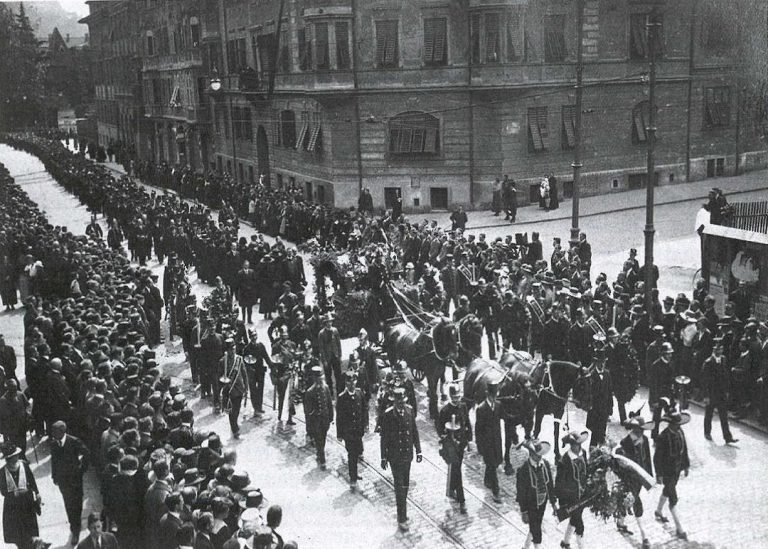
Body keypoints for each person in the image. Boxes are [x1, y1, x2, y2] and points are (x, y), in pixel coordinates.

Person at [380, 387, 422, 531]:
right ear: (394, 402)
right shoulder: (388, 415)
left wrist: (419, 451)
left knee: (405, 485)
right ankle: (402, 518)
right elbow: (384, 437)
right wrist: (383, 457)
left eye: (402, 401)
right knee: (399, 487)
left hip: (407, 455)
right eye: (398, 402)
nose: (401, 404)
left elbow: (414, 432)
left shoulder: (410, 411)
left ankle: (402, 510)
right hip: (395, 457)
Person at [615, 414, 654, 549]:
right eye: (638, 430)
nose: (641, 433)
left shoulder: (645, 440)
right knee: (636, 503)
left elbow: (647, 459)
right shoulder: (625, 444)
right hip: (629, 480)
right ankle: (644, 536)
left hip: (640, 480)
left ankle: (620, 522)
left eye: (642, 430)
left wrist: (649, 478)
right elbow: (620, 464)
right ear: (633, 429)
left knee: (627, 501)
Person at [50, 420, 89, 546]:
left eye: (55, 432)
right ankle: (74, 525)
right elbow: (54, 461)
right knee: (68, 504)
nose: (53, 434)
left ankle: (75, 530)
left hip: (75, 481)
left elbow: (87, 454)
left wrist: (81, 470)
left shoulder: (74, 441)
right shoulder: (54, 444)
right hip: (63, 481)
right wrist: (54, 476)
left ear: (62, 432)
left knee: (77, 505)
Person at [653, 410, 691, 541]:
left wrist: (686, 466)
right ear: (670, 424)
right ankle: (680, 528)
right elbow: (657, 457)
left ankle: (658, 511)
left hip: (677, 470)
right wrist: (659, 474)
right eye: (675, 424)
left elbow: (684, 450)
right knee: (673, 498)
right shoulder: (662, 437)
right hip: (667, 471)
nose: (678, 426)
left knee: (667, 490)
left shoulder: (680, 433)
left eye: (678, 423)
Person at [515, 439, 557, 549]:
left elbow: (550, 485)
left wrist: (553, 503)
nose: (539, 458)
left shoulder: (545, 465)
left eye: (540, 455)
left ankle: (525, 547)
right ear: (531, 454)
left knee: (535, 525)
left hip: (542, 502)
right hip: (530, 505)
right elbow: (521, 493)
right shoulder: (523, 470)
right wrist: (524, 511)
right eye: (537, 455)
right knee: (537, 530)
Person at [0, 442, 40, 549]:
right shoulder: (2, 472)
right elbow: (3, 491)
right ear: (9, 458)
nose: (17, 457)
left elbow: (31, 480)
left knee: (30, 529)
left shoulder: (24, 465)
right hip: (13, 506)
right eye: (14, 456)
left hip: (27, 502)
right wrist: (13, 493)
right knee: (18, 532)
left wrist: (37, 493)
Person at [700, 339, 738, 444]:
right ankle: (707, 432)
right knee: (709, 414)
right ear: (713, 349)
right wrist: (706, 396)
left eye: (721, 348)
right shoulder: (708, 362)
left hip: (721, 393)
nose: (719, 351)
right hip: (711, 393)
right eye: (717, 348)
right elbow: (704, 381)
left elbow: (726, 377)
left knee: (724, 416)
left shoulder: (724, 359)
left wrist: (726, 391)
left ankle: (727, 437)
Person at [557, 430, 589, 549]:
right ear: (571, 445)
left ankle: (565, 542)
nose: (578, 447)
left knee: (575, 519)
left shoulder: (583, 453)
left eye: (580, 444)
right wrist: (562, 502)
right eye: (576, 444)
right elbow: (559, 482)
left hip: (582, 495)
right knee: (579, 524)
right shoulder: (564, 460)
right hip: (570, 497)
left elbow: (587, 470)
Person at [336, 371, 368, 489]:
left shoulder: (360, 393)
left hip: (358, 431)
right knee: (352, 455)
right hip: (348, 432)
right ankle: (353, 478)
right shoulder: (342, 397)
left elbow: (365, 409)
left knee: (358, 452)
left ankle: (355, 474)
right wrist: (339, 434)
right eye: (349, 381)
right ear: (346, 383)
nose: (352, 384)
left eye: (353, 381)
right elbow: (339, 417)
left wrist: (366, 424)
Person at [475, 380, 503, 503]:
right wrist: (479, 446)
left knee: (494, 463)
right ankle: (496, 492)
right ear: (488, 395)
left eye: (495, 395)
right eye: (492, 396)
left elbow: (506, 417)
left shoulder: (498, 405)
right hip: (487, 443)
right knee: (492, 465)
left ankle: (487, 480)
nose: (493, 398)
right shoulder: (481, 409)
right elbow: (478, 429)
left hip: (496, 441)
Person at [304, 365, 334, 469]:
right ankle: (322, 461)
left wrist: (331, 417)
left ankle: (319, 453)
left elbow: (329, 403)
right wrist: (308, 427)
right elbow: (307, 412)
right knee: (319, 440)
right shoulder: (310, 392)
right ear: (314, 379)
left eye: (321, 378)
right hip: (316, 421)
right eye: (318, 378)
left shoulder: (326, 388)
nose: (320, 380)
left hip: (325, 420)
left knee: (323, 439)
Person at [439, 413, 469, 514]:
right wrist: (448, 459)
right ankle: (462, 501)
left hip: (458, 459)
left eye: (454, 431)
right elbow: (442, 452)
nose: (453, 433)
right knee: (458, 479)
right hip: (452, 462)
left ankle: (452, 492)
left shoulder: (460, 438)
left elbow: (463, 446)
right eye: (451, 431)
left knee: (456, 477)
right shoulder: (445, 440)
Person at [220, 338, 248, 438]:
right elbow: (220, 376)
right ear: (227, 350)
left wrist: (246, 387)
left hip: (239, 388)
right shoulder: (223, 361)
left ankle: (234, 426)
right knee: (232, 411)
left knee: (237, 409)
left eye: (234, 348)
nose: (233, 351)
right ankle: (235, 430)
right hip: (229, 390)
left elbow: (244, 374)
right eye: (231, 349)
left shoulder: (239, 359)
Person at [242, 329, 273, 415]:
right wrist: (248, 369)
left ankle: (259, 407)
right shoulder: (246, 349)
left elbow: (266, 357)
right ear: (249, 337)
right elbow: (244, 361)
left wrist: (272, 366)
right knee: (253, 390)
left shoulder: (261, 346)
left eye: (255, 336)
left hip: (260, 371)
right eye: (252, 336)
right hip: (252, 373)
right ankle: (255, 408)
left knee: (260, 390)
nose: (254, 338)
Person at [317, 313, 342, 395]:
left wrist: (340, 356)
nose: (329, 323)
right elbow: (321, 348)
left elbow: (339, 344)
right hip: (327, 358)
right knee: (328, 376)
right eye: (328, 322)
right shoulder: (321, 333)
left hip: (335, 355)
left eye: (330, 321)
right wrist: (324, 360)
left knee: (338, 375)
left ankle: (340, 391)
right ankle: (330, 393)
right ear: (325, 323)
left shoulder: (335, 330)